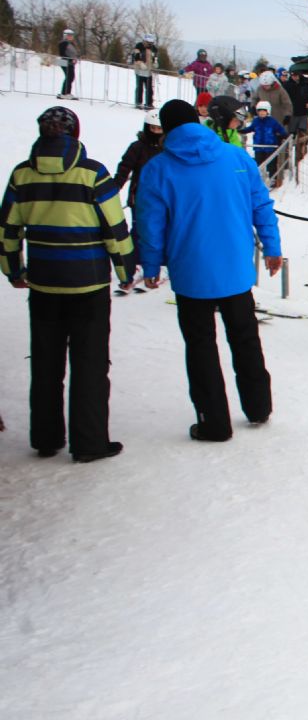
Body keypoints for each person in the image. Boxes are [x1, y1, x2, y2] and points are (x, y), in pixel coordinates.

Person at [136, 99, 281, 441]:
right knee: (245, 338)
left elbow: (150, 224)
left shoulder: (158, 169)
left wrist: (152, 264)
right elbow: (262, 206)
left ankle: (213, 421)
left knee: (200, 346)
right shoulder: (236, 158)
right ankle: (259, 406)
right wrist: (272, 248)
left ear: (167, 130)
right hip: (235, 270)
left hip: (191, 273)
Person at [1, 106, 136, 462]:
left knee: (45, 362)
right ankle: (89, 442)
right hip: (88, 285)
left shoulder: (21, 176)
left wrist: (14, 270)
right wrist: (125, 270)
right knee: (90, 363)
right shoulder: (93, 175)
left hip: (44, 282)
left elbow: (8, 230)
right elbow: (115, 228)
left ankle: (46, 438)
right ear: (75, 134)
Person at [112, 112, 164, 294]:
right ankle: (134, 265)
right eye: (153, 128)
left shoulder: (168, 148)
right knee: (139, 231)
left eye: (159, 129)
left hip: (163, 198)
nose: (156, 132)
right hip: (140, 197)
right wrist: (115, 186)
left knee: (160, 231)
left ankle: (159, 264)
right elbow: (125, 167)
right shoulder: (138, 147)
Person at [242, 102, 288, 188]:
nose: (261, 113)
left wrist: (283, 135)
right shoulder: (256, 121)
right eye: (259, 111)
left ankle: (272, 179)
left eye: (263, 111)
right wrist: (242, 130)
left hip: (270, 147)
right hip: (258, 147)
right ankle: (258, 180)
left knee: (271, 165)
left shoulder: (272, 122)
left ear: (268, 111)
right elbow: (250, 128)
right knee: (259, 164)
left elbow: (281, 130)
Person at [286, 70, 308, 149]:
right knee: (292, 133)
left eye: (296, 75)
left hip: (306, 111)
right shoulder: (288, 84)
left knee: (304, 131)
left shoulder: (306, 82)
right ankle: (291, 149)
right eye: (293, 75)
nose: (295, 77)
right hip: (294, 111)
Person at [130, 36, 158, 109]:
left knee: (149, 88)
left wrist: (155, 63)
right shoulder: (139, 46)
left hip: (148, 71)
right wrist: (140, 63)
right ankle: (138, 103)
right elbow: (136, 56)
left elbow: (155, 57)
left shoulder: (154, 49)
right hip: (139, 70)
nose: (149, 44)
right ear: (145, 41)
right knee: (139, 87)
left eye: (151, 43)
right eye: (148, 43)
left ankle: (149, 103)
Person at [57, 28, 78, 99]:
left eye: (72, 35)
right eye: (69, 35)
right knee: (69, 77)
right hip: (65, 62)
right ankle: (65, 93)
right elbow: (62, 53)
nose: (71, 37)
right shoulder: (64, 43)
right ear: (65, 36)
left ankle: (66, 93)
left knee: (70, 77)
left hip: (69, 63)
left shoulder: (70, 43)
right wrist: (71, 59)